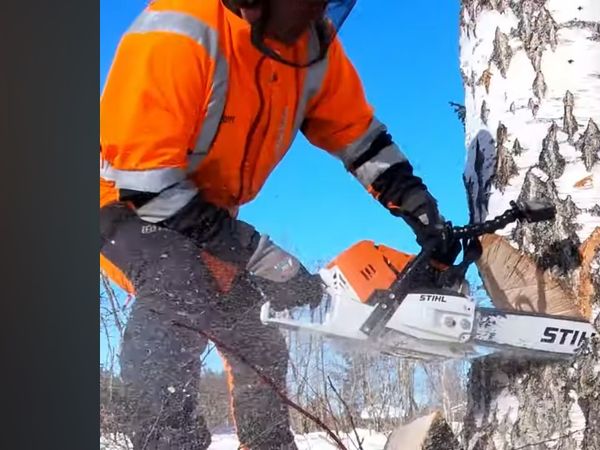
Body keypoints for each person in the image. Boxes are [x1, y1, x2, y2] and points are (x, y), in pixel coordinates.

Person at [99, 0, 458, 448]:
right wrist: (263, 257)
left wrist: (418, 207)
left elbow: (360, 139)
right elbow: (146, 185)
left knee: (255, 328)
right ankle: (165, 441)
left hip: (204, 213)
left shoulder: (313, 47)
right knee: (180, 279)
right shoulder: (177, 34)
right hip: (119, 200)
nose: (307, 21)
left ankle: (268, 443)